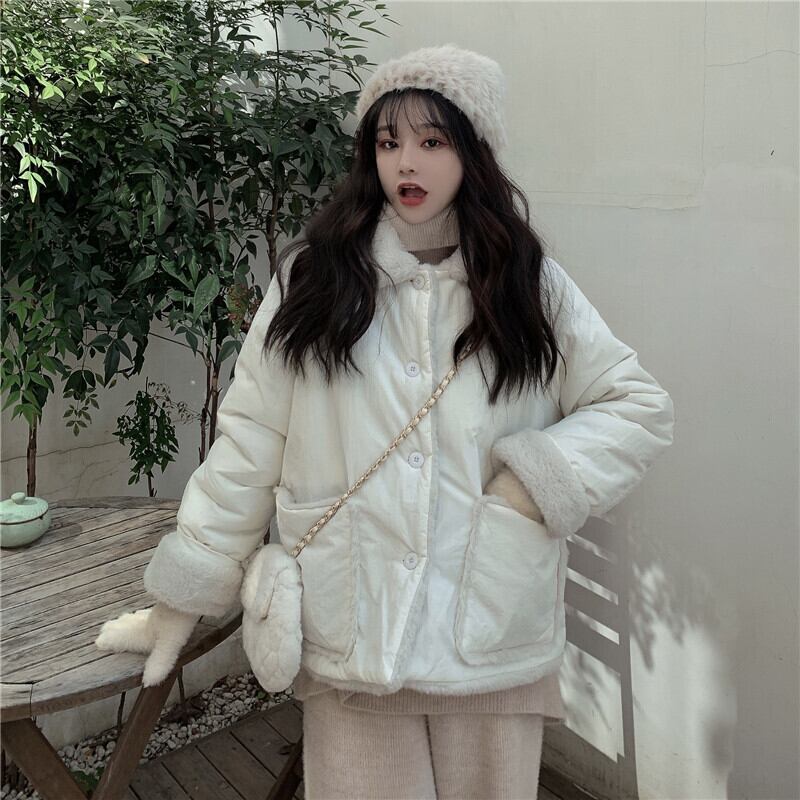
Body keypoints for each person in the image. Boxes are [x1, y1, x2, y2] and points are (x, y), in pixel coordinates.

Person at [96, 44, 675, 799]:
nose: (407, 162)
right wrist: (183, 596)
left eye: (433, 141)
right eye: (388, 141)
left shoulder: (526, 284)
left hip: (489, 628)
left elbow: (636, 406)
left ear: (473, 152)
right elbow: (251, 439)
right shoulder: (316, 279)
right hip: (354, 630)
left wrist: (532, 485)